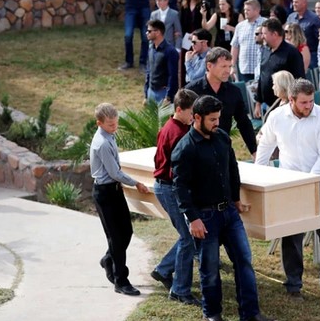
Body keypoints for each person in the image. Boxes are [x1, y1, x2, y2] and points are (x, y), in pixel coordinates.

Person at [171, 96, 273, 321]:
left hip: (229, 212)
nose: (217, 123)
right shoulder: (185, 149)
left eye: (218, 118)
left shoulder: (222, 138)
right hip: (204, 217)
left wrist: (236, 199)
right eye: (212, 119)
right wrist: (193, 218)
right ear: (196, 118)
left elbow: (232, 170)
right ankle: (213, 315)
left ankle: (250, 314)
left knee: (244, 261)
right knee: (210, 269)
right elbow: (180, 188)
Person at [255, 79, 320, 303]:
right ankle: (293, 284)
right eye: (303, 102)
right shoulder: (277, 117)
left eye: (311, 101)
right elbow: (265, 146)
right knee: (292, 235)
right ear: (291, 99)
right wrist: (259, 174)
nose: (308, 106)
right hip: (290, 184)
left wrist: (309, 182)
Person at [90, 103, 150, 296]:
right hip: (105, 193)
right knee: (116, 237)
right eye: (110, 125)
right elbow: (114, 172)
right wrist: (136, 183)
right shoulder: (102, 143)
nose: (114, 127)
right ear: (99, 123)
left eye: (116, 123)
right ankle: (120, 280)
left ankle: (109, 259)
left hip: (115, 191)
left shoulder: (109, 136)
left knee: (126, 231)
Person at [151, 89, 200, 305]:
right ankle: (179, 289)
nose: (194, 117)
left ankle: (163, 270)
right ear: (179, 110)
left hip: (165, 186)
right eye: (191, 113)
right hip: (170, 188)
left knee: (187, 237)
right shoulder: (179, 133)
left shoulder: (169, 127)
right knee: (188, 238)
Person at [187, 47, 258, 157]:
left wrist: (254, 151)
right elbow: (183, 121)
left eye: (229, 66)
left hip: (223, 149)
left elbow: (243, 122)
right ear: (209, 66)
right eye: (223, 66)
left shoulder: (234, 92)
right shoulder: (192, 90)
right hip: (196, 150)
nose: (227, 71)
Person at [255, 18, 306, 117]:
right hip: (266, 105)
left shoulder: (292, 53)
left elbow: (299, 80)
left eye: (264, 34)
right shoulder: (265, 51)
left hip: (284, 107)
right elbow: (262, 76)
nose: (262, 37)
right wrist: (258, 102)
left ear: (274, 34)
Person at [144, 20, 179, 104]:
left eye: (149, 31)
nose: (146, 33)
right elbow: (149, 71)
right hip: (151, 92)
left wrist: (168, 97)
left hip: (163, 94)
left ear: (158, 32)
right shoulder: (151, 48)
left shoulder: (170, 51)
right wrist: (146, 94)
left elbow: (173, 76)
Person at [231, 0, 266, 81]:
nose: (245, 12)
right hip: (244, 69)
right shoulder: (240, 26)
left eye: (248, 10)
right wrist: (232, 66)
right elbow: (235, 46)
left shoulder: (266, 24)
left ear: (257, 10)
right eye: (244, 10)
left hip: (262, 68)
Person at [287, 0, 320, 68]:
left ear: (304, 4)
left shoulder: (314, 18)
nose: (293, 4)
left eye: (296, 2)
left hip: (311, 55)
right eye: (293, 2)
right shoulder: (291, 17)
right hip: (294, 54)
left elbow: (318, 38)